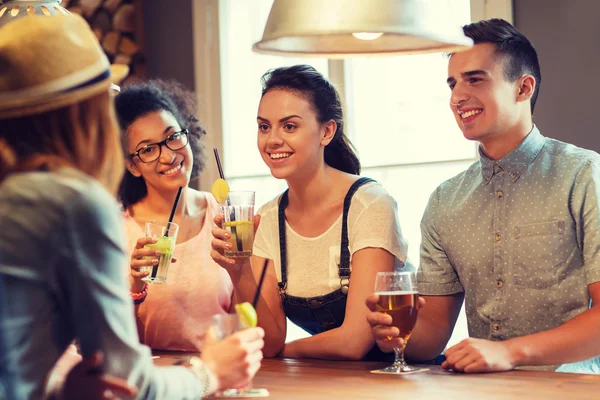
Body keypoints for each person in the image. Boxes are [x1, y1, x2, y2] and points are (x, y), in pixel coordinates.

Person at [0, 14, 264, 399]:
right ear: (84, 116)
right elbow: (130, 384)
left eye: (172, 137)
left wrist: (61, 389)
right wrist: (209, 373)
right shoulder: (75, 205)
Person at [367, 18, 600, 373]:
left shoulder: (584, 175)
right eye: (452, 83)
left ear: (523, 88)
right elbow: (431, 337)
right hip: (480, 389)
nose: (457, 97)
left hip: (573, 390)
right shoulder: (445, 202)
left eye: (475, 79)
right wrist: (398, 336)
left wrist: (510, 351)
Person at [211, 65, 409, 360]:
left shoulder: (368, 203)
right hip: (326, 378)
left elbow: (355, 340)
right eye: (264, 126)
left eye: (289, 126)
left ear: (326, 131)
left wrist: (285, 353)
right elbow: (268, 341)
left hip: (392, 376)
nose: (272, 140)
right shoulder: (266, 220)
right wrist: (239, 272)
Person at [114, 80, 233, 351]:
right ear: (132, 166)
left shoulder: (225, 216)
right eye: (148, 149)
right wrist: (134, 283)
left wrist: (242, 272)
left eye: (172, 137)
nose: (168, 156)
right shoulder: (115, 232)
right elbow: (113, 346)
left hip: (221, 375)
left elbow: (250, 324)